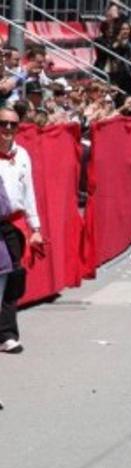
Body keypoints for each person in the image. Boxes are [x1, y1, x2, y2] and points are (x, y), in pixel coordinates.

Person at [0, 108, 43, 354]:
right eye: (3, 124)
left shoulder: (23, 155)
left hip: (13, 225)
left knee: (14, 279)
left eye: (12, 125)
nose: (7, 129)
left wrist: (35, 228)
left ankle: (6, 334)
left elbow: (29, 194)